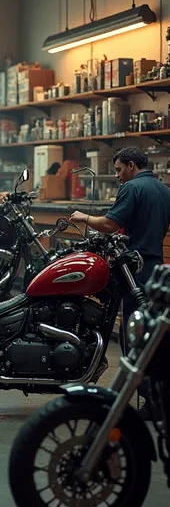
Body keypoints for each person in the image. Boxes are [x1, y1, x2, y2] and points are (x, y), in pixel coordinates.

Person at [70, 146, 170, 418]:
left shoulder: (132, 187)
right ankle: (158, 399)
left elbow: (109, 224)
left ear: (131, 165)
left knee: (132, 336)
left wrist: (83, 217)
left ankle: (148, 402)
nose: (116, 175)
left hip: (133, 270)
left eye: (118, 169)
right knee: (152, 336)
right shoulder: (163, 190)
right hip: (154, 267)